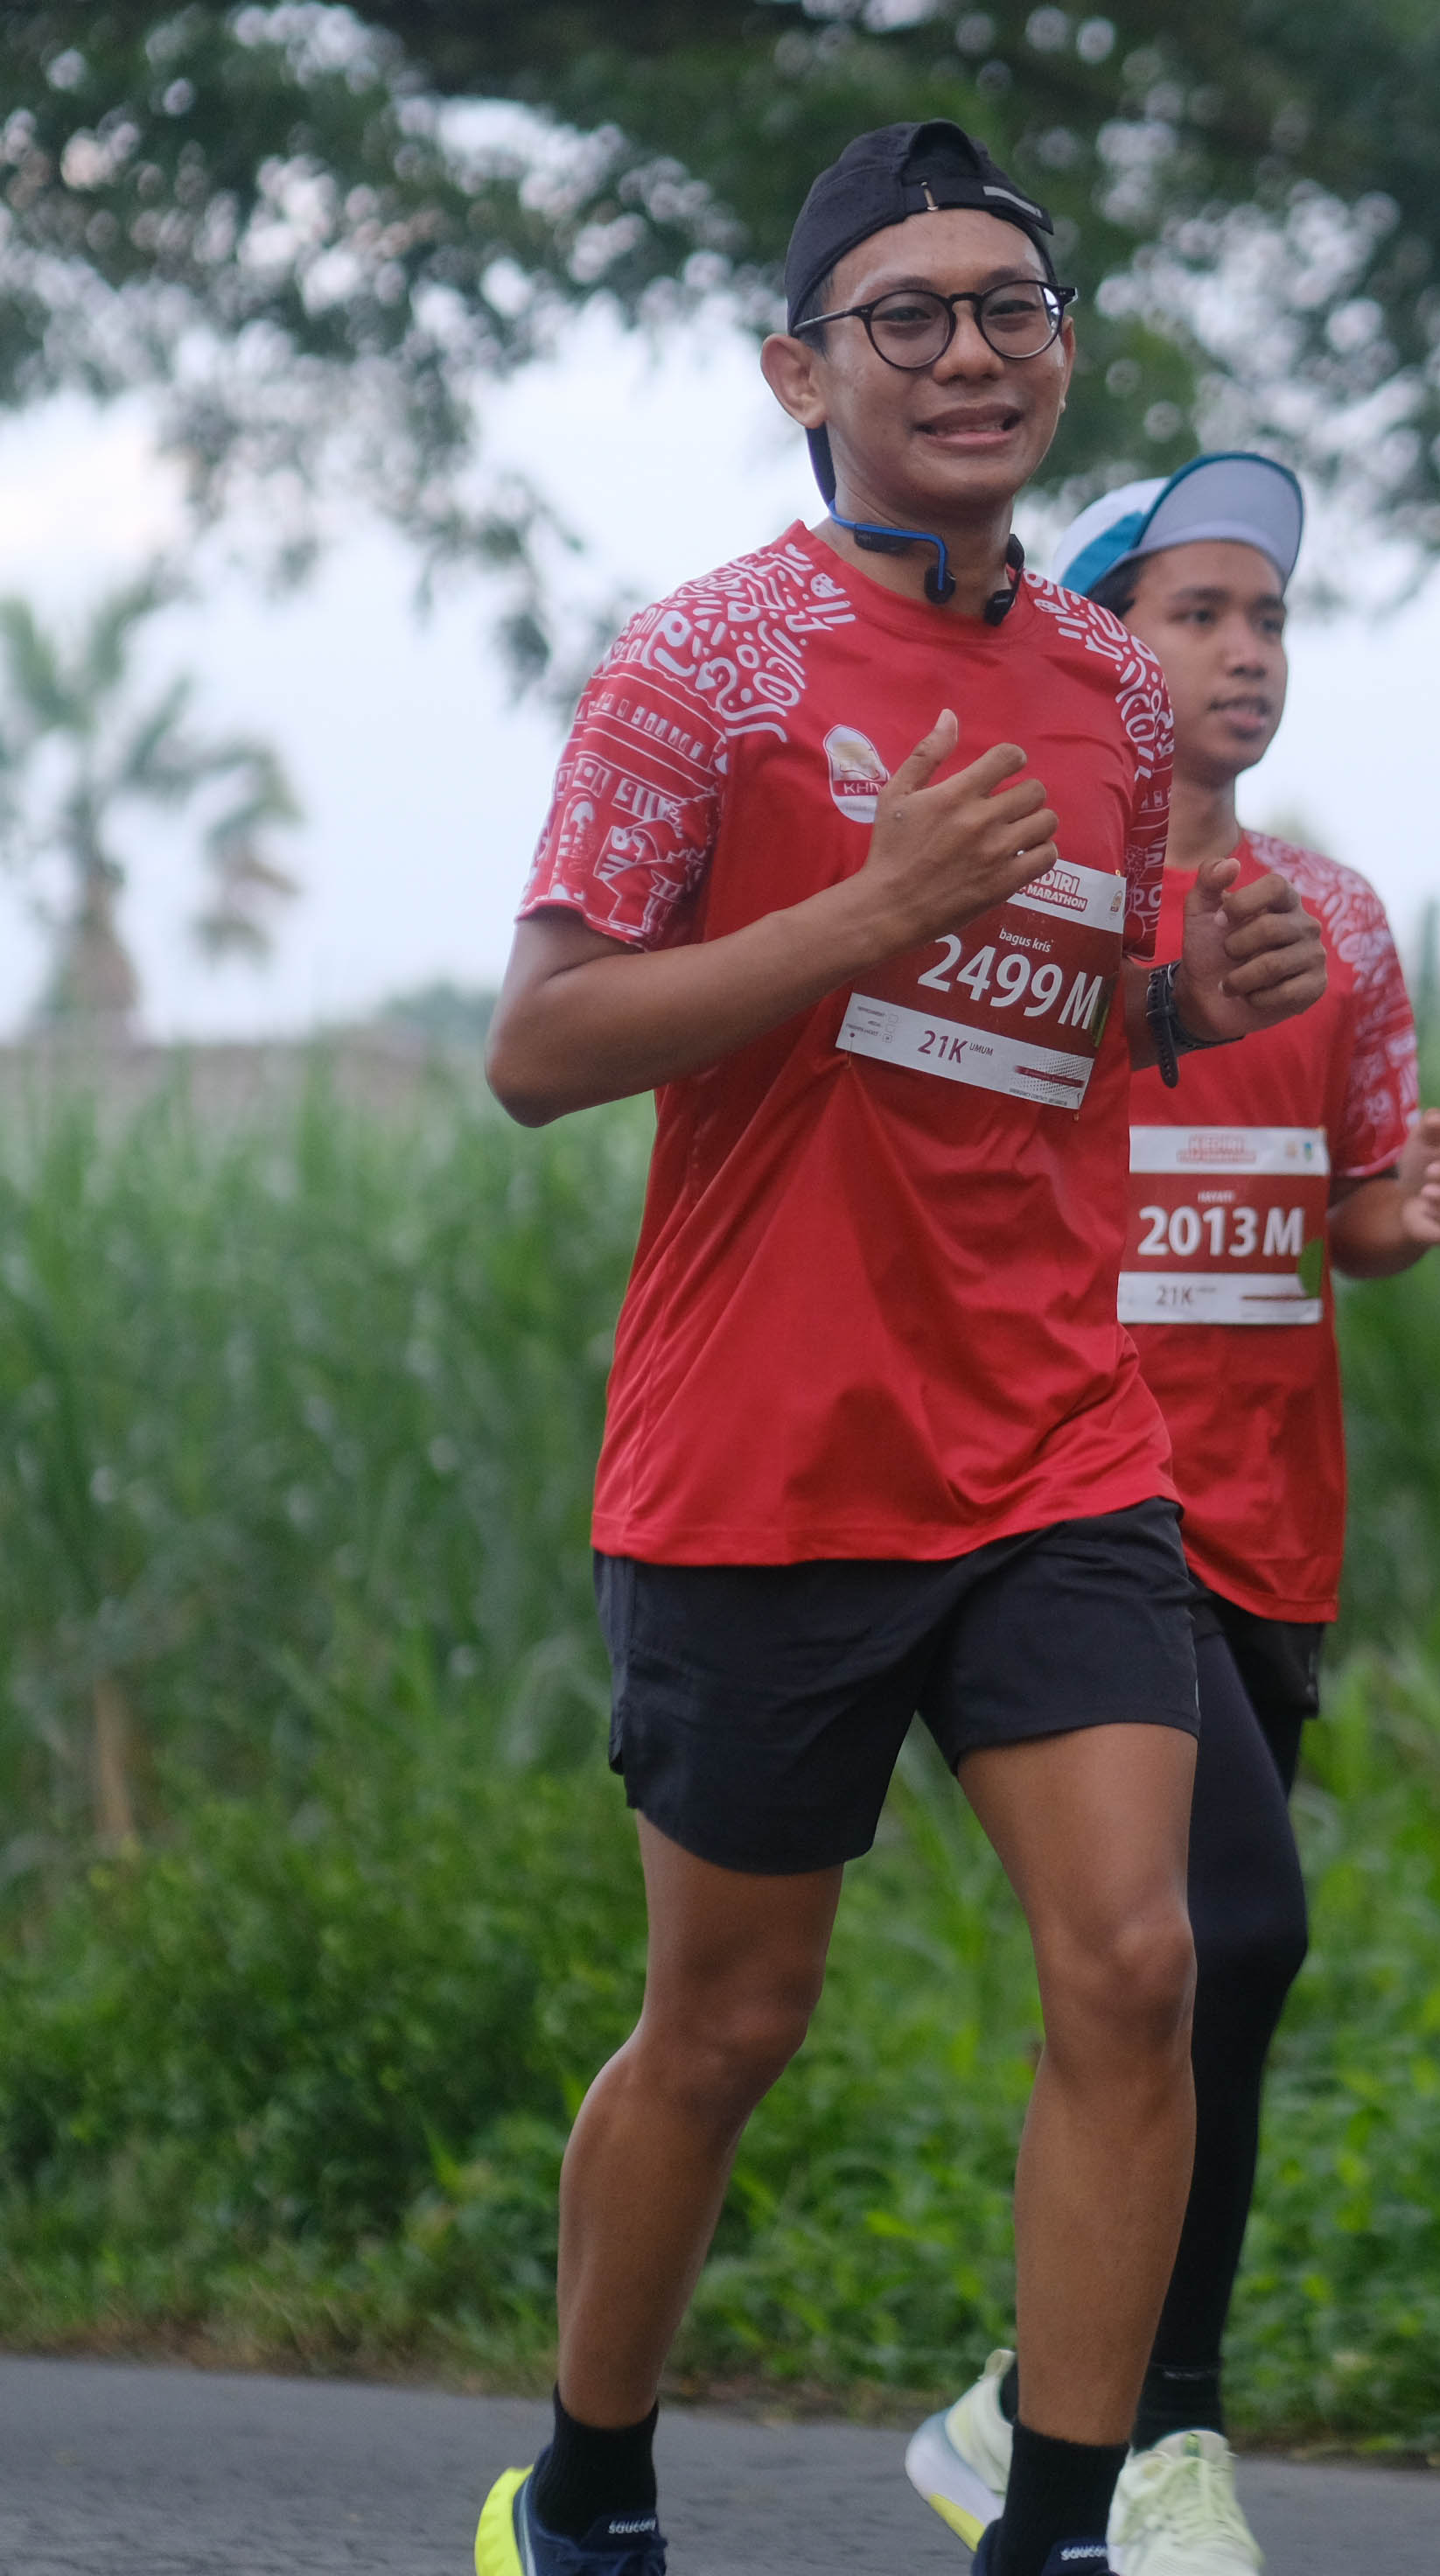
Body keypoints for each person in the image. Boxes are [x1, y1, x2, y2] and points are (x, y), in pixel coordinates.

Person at [471, 119, 1329, 2576]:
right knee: (729, 2024)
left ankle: (1054, 2522)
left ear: (1063, 357)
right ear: (801, 372)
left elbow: (1035, 1033)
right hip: (764, 1451)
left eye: (1012, 312)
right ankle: (587, 2484)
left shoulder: (1106, 689)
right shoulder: (702, 668)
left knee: (1145, 1965)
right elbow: (543, 1046)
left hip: (1057, 1436)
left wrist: (1178, 1006)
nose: (972, 354)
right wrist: (864, 911)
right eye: (910, 317)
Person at [898, 454, 1440, 2576]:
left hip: (1270, 1527)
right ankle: (1158, 2432)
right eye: (1198, 614)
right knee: (1232, 1931)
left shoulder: (1335, 921)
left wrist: (1407, 1209)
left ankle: (1026, 2403)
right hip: (1080, 1511)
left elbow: (1346, 1208)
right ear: (1103, 645)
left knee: (1196, 1986)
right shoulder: (1036, 906)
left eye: (1271, 618)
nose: (1246, 653)